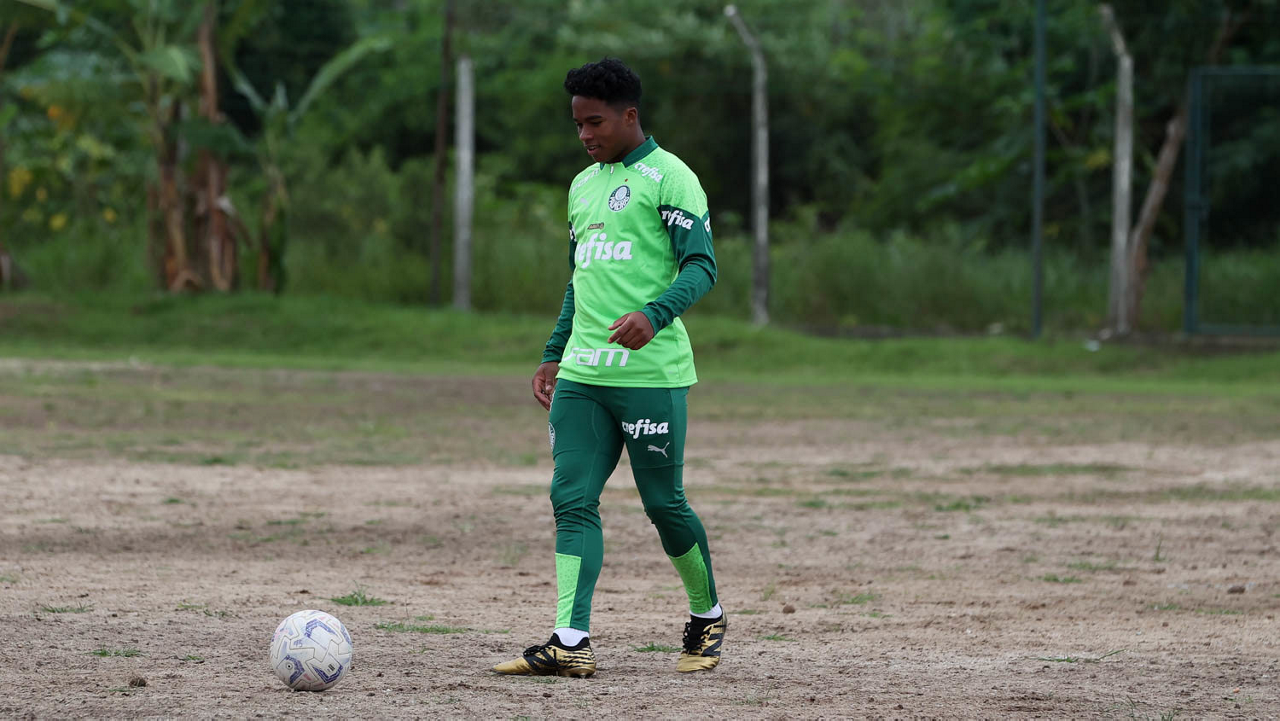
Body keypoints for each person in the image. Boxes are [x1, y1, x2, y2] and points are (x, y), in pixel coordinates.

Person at [493, 57, 724, 678]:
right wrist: (553, 351)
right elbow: (581, 278)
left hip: (650, 376)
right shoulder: (581, 186)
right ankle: (571, 640)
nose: (585, 135)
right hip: (582, 376)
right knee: (571, 498)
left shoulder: (671, 178)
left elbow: (702, 266)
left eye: (594, 122)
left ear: (629, 115)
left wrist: (655, 314)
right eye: (577, 124)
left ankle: (706, 614)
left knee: (663, 504)